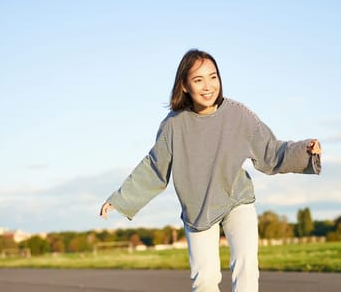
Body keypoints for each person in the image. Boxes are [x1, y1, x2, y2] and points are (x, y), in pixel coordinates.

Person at [99, 49, 322, 292]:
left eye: (213, 77)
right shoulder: (173, 125)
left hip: (236, 199)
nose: (208, 86)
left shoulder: (238, 115)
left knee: (246, 266)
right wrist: (120, 199)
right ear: (184, 85)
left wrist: (305, 150)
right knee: (204, 280)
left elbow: (270, 152)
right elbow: (155, 167)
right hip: (198, 210)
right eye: (198, 80)